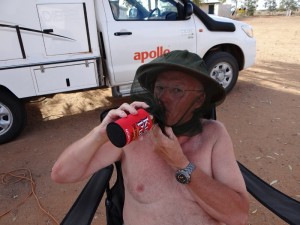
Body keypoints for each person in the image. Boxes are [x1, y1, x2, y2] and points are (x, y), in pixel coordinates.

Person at [51, 50, 249, 225]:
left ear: (199, 100)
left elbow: (238, 216)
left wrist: (182, 164)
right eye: (160, 88)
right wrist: (99, 134)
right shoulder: (134, 135)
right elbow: (61, 174)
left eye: (177, 90)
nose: (164, 98)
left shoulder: (213, 135)